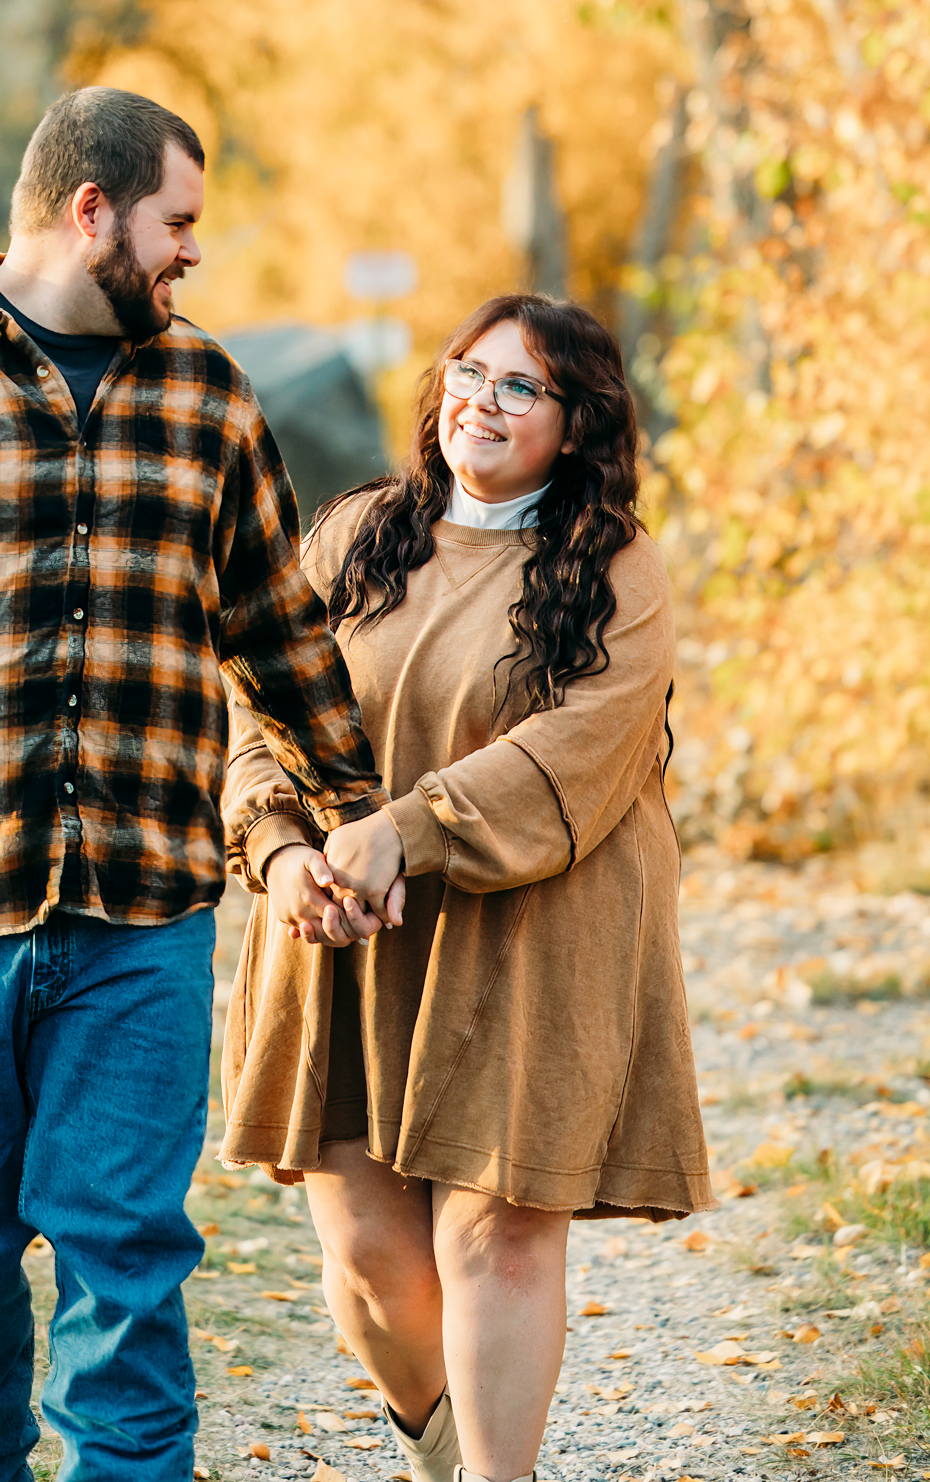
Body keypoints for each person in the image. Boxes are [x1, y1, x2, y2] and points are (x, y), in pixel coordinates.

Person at [0, 85, 403, 1482]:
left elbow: (275, 636)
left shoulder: (207, 394)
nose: (191, 253)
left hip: (144, 926)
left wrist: (359, 814)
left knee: (126, 1267)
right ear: (90, 208)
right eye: (178, 221)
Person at [220, 293, 713, 1482]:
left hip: (535, 923)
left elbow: (584, 740)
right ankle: (441, 1453)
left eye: (518, 386)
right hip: (343, 924)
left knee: (495, 1227)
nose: (478, 401)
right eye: (467, 372)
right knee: (365, 1246)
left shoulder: (618, 566)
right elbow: (253, 700)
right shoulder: (353, 535)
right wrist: (284, 848)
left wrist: (410, 827)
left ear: (577, 421)